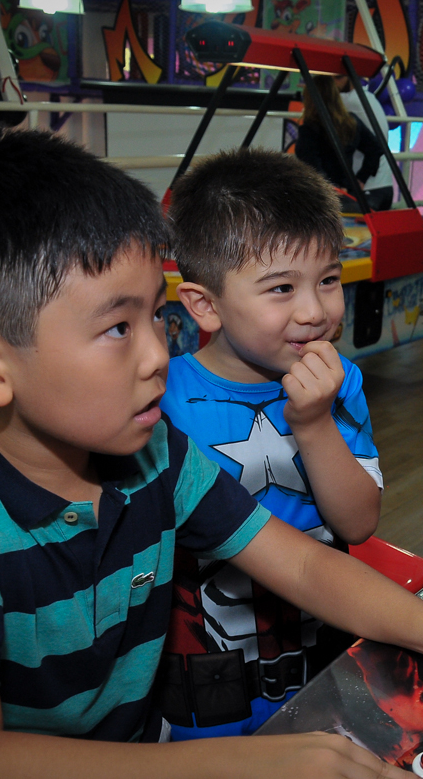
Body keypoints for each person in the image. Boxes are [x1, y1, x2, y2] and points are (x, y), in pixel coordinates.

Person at [0, 127, 423, 779]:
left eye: (151, 317)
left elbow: (302, 564)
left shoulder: (156, 456)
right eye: (117, 328)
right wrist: (243, 765)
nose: (155, 354)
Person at [159, 148, 381, 738]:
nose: (315, 311)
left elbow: (358, 522)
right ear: (205, 305)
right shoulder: (164, 398)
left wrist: (313, 424)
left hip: (322, 643)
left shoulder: (339, 381)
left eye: (329, 279)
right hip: (208, 665)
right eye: (281, 288)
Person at [295, 75, 385, 210]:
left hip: (323, 198)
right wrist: (361, 179)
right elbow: (376, 148)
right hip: (348, 192)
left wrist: (328, 187)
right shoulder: (351, 122)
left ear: (309, 98)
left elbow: (312, 164)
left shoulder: (310, 128)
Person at [337, 75, 395, 211]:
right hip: (383, 186)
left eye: (337, 78)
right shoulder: (368, 97)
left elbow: (318, 103)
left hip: (368, 187)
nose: (334, 84)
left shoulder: (350, 101)